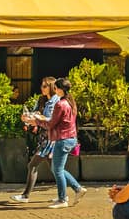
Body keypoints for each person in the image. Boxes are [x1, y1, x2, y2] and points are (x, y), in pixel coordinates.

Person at [25, 76, 84, 208]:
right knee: (58, 169)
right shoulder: (70, 102)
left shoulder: (60, 104)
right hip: (69, 138)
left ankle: (63, 199)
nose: (54, 90)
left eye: (55, 88)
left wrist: (36, 121)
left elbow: (51, 123)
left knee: (57, 170)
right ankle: (77, 189)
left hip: (62, 139)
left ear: (59, 90)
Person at [10, 77, 58, 204]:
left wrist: (38, 117)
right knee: (56, 169)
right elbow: (35, 113)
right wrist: (28, 117)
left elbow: (51, 119)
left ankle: (25, 195)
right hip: (43, 137)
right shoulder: (41, 100)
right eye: (42, 86)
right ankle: (72, 190)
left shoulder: (56, 101)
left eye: (45, 86)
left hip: (50, 138)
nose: (42, 88)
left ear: (52, 87)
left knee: (32, 165)